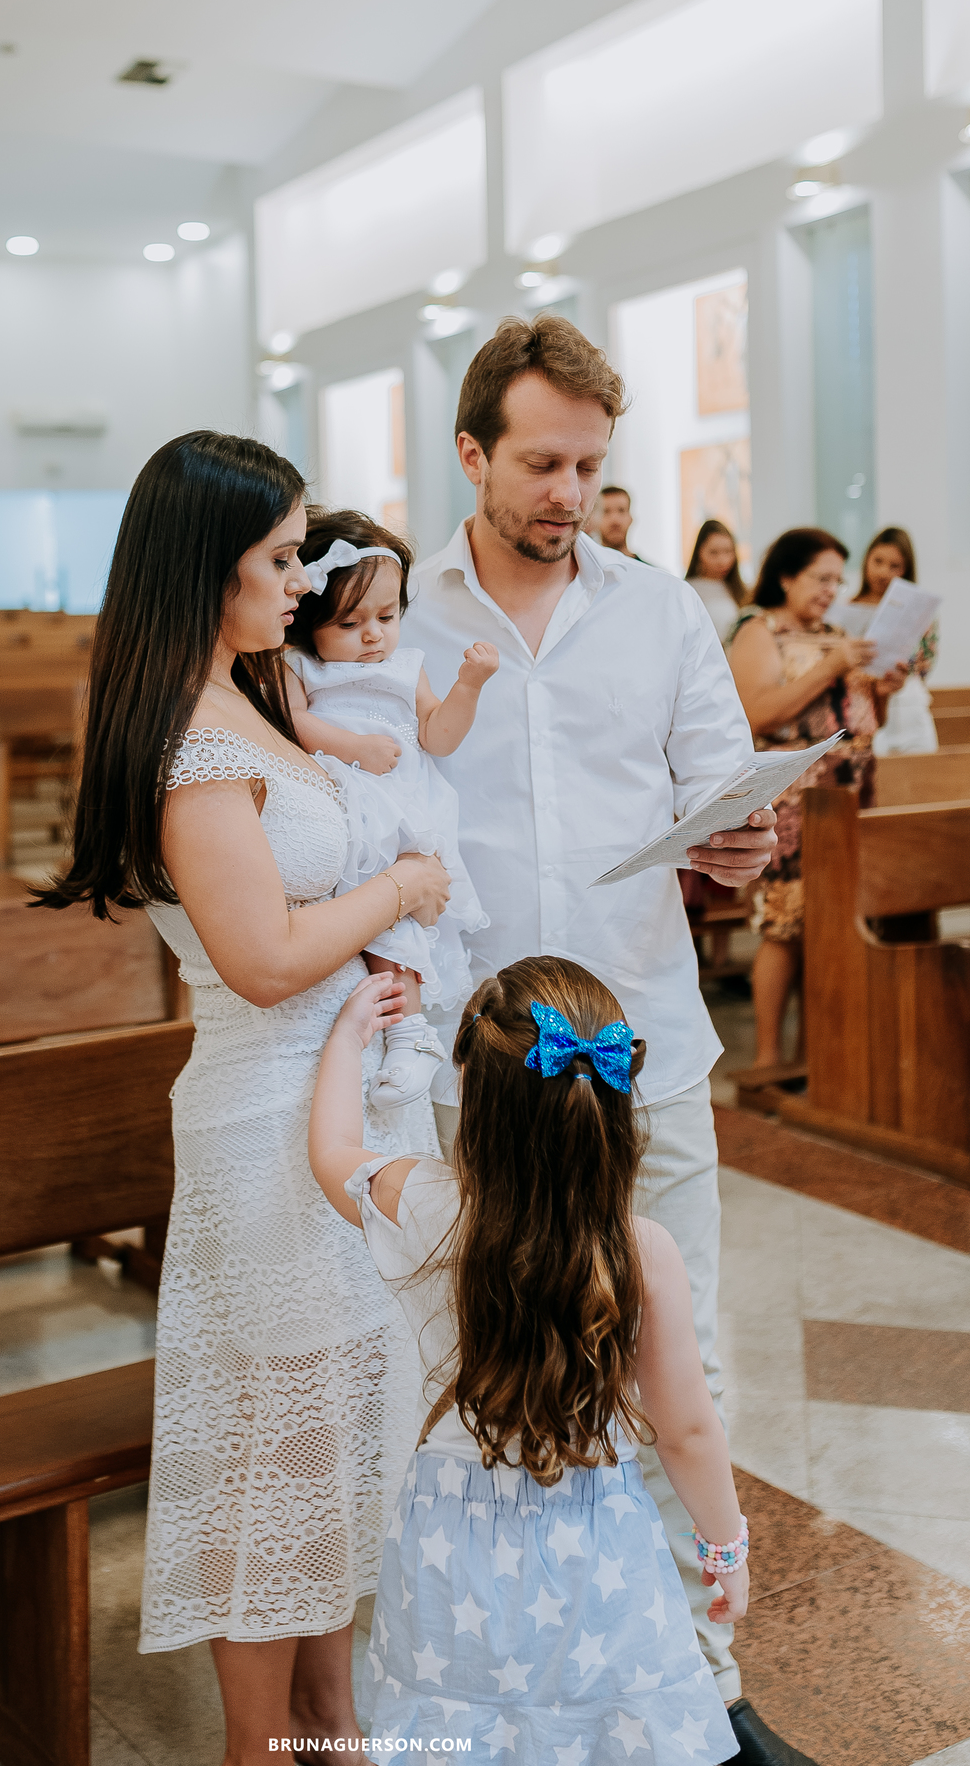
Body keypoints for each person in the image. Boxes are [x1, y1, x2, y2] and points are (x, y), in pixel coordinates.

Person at [403, 314, 812, 1766]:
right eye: (542, 461)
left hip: (643, 1049)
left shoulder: (657, 612)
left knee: (674, 1366)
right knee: (484, 1388)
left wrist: (746, 840)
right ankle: (521, 1694)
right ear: (473, 454)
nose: (571, 490)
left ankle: (694, 1685)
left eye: (590, 463)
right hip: (478, 1077)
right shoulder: (401, 616)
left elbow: (717, 792)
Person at [38, 432, 452, 1761]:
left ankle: (330, 1719)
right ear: (207, 567)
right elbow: (264, 960)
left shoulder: (257, 697)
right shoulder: (189, 739)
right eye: (280, 556)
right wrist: (398, 894)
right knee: (277, 1454)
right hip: (268, 1116)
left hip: (341, 1098)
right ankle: (259, 1746)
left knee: (335, 1428)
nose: (304, 575)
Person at [307, 958, 748, 1763]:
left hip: (451, 1548)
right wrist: (726, 1549)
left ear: (475, 1100)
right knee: (605, 1732)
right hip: (600, 1556)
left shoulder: (421, 1205)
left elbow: (332, 1147)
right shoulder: (640, 1250)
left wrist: (347, 1037)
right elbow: (688, 1429)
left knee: (463, 1732)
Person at [284, 507, 496, 1108]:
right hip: (346, 805)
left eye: (387, 615)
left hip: (405, 812)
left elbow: (438, 737)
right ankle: (402, 1032)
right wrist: (351, 747)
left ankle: (410, 1032)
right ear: (309, 620)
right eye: (350, 623)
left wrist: (469, 686)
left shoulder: (407, 669)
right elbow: (295, 725)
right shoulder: (301, 668)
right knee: (365, 921)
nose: (374, 635)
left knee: (400, 921)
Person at [727, 529, 907, 1069]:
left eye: (837, 580)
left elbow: (856, 720)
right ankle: (765, 1060)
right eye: (821, 578)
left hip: (848, 795)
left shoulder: (836, 634)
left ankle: (814, 1056)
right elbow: (757, 713)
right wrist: (831, 667)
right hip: (791, 804)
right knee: (784, 927)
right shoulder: (760, 630)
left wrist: (883, 692)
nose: (832, 590)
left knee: (831, 927)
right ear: (787, 576)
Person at [832, 526, 939, 756]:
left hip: (909, 702)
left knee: (922, 776)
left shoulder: (920, 614)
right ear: (866, 561)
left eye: (894, 566)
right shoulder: (846, 609)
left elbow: (925, 664)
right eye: (877, 561)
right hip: (864, 704)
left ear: (906, 570)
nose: (883, 572)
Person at [686, 520, 747, 639]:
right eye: (714, 553)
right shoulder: (689, 590)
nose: (722, 561)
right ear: (699, 552)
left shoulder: (741, 590)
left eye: (728, 552)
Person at [594, 484, 661, 566]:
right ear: (594, 520)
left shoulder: (651, 574)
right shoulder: (584, 572)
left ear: (631, 518)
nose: (615, 520)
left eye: (621, 510)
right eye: (606, 511)